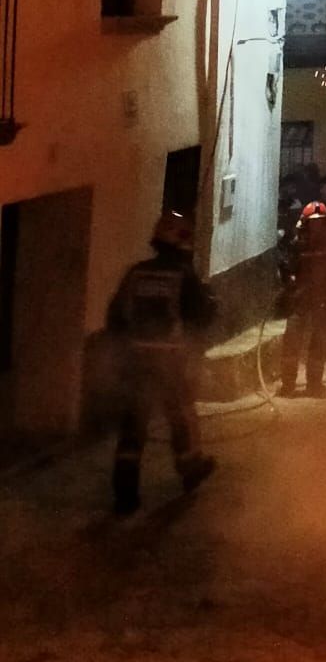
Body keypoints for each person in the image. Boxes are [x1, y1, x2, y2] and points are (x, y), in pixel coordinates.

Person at [106, 209, 218, 516]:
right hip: (170, 362)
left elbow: (116, 315)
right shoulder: (184, 276)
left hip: (136, 361)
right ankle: (190, 470)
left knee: (133, 426)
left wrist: (121, 354)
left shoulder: (136, 273)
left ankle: (125, 495)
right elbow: (201, 316)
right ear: (183, 243)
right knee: (180, 418)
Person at [280, 199, 326, 396]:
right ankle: (288, 385)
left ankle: (314, 384)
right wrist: (290, 283)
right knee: (291, 342)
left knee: (319, 342)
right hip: (300, 299)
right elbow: (288, 269)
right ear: (306, 222)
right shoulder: (297, 243)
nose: (316, 225)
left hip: (322, 299)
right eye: (313, 221)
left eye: (320, 221)